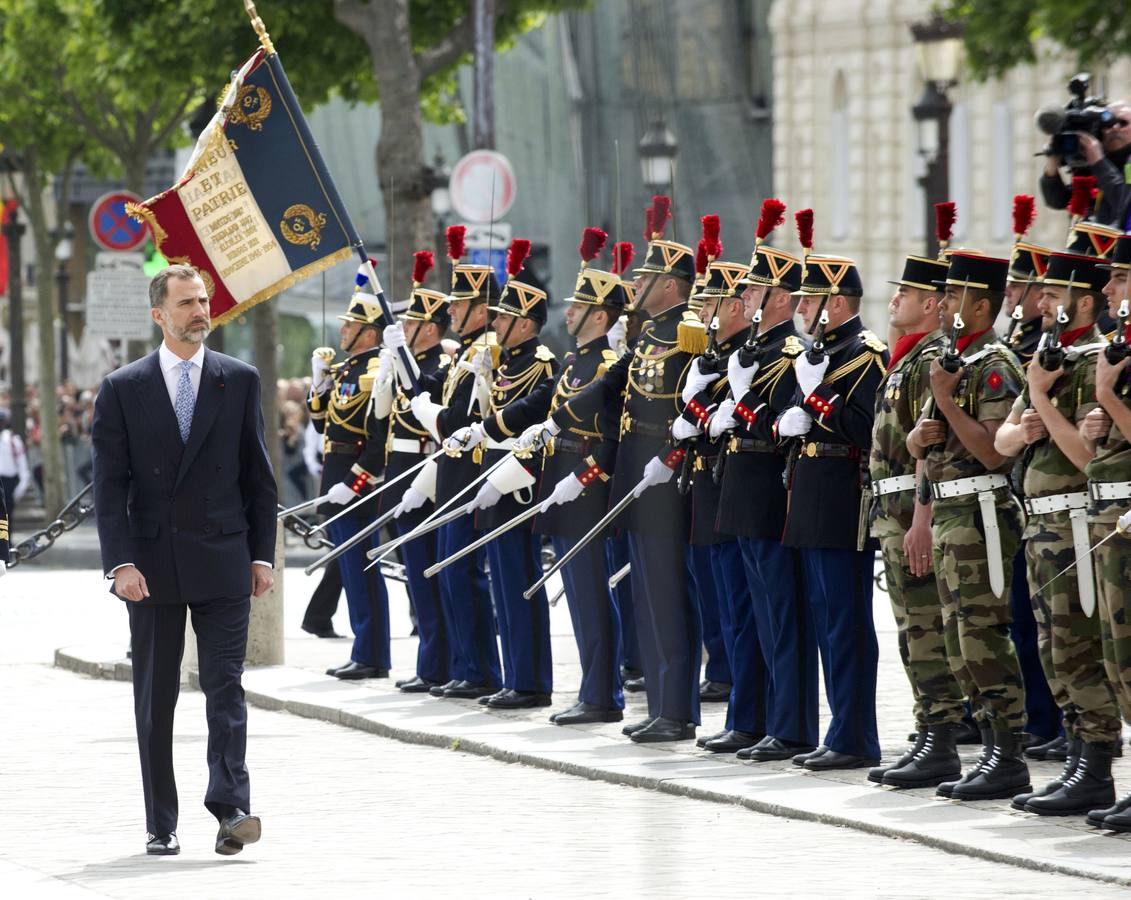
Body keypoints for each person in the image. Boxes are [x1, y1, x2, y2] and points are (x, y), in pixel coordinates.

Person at [91, 263, 276, 856]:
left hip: (224, 557)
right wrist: (120, 565)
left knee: (226, 687)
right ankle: (160, 820)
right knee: (156, 697)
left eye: (204, 300)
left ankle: (231, 808)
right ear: (159, 315)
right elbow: (109, 486)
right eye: (188, 303)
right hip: (151, 567)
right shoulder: (123, 388)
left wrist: (262, 556)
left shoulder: (239, 379)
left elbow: (259, 478)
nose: (202, 310)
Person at [519, 207, 704, 743]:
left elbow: (690, 404)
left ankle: (678, 708)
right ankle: (664, 705)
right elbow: (610, 387)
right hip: (636, 481)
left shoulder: (688, 334)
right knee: (648, 597)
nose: (636, 285)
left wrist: (670, 456)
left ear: (670, 285)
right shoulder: (647, 337)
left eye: (645, 279)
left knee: (669, 595)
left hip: (665, 479)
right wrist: (553, 419)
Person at [995, 251, 1118, 817]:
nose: (1042, 301)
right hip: (1040, 522)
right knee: (1052, 649)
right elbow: (1002, 443)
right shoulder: (1050, 359)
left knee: (1080, 648)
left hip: (1075, 521)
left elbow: (1087, 457)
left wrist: (1042, 400)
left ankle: (1094, 766)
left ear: (1084, 303)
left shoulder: (1095, 360)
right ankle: (1076, 759)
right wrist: (1024, 424)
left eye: (1055, 293)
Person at [907, 252, 1030, 801]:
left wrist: (944, 401)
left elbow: (992, 452)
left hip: (980, 513)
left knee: (982, 636)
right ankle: (987, 746)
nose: (945, 304)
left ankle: (1009, 752)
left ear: (981, 305)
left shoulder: (994, 362)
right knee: (957, 640)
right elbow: (931, 444)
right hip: (949, 512)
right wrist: (918, 438)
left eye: (956, 296)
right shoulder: (954, 359)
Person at [776, 253, 887, 771]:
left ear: (835, 303)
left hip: (841, 498)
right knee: (826, 621)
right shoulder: (821, 353)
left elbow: (865, 430)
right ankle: (839, 729)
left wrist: (817, 397)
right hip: (811, 494)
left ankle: (856, 736)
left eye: (809, 299)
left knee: (846, 622)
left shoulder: (864, 355)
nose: (799, 307)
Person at [718, 230, 820, 763]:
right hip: (743, 486)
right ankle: (752, 718)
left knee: (783, 615)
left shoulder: (792, 351)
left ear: (781, 297)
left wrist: (741, 397)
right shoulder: (753, 348)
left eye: (757, 290)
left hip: (769, 490)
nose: (746, 298)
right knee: (755, 614)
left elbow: (781, 423)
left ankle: (792, 725)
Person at [868, 254, 968, 790]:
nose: (893, 300)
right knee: (911, 632)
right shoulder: (905, 356)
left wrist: (922, 520)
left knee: (926, 630)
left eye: (904, 294)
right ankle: (928, 731)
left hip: (913, 511)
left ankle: (942, 739)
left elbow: (928, 446)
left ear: (930, 304)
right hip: (893, 510)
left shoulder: (930, 357)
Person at [394, 226, 503, 700]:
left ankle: (479, 669)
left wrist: (426, 410)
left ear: (481, 309)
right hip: (451, 476)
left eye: (459, 305)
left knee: (463, 576)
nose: (451, 311)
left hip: (475, 477)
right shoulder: (467, 356)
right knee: (450, 574)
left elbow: (458, 418)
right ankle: (465, 665)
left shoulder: (486, 353)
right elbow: (435, 388)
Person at [450, 240, 559, 709]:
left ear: (526, 323)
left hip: (517, 481)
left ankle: (530, 682)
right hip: (492, 474)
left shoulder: (541, 363)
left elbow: (533, 420)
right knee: (502, 580)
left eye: (502, 318)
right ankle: (514, 676)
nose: (494, 324)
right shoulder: (504, 362)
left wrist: (492, 437)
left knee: (518, 580)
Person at [534, 240, 628, 724]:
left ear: (600, 315)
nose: (568, 312)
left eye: (578, 305)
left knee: (592, 592)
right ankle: (592, 688)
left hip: (587, 488)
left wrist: (582, 477)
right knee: (578, 592)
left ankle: (603, 695)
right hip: (561, 483)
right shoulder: (573, 364)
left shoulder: (609, 367)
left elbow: (612, 439)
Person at [680, 256, 769, 754]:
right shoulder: (714, 356)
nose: (704, 311)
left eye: (712, 301)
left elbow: (730, 416)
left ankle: (745, 706)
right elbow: (692, 412)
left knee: (742, 609)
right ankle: (740, 707)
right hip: (709, 487)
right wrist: (694, 406)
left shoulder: (746, 353)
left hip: (734, 487)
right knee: (727, 606)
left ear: (735, 306)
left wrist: (707, 410)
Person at [370, 251, 452, 693]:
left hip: (426, 470)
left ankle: (437, 662)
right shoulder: (407, 364)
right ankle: (430, 661)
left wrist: (402, 357)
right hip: (399, 469)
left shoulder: (440, 367)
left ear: (432, 330)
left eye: (413, 326)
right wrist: (388, 366)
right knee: (415, 571)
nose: (404, 331)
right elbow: (382, 411)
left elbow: (426, 403)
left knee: (427, 571)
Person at [307, 268, 392, 680]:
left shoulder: (377, 372)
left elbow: (380, 440)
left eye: (352, 325)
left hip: (357, 484)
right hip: (337, 477)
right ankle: (365, 651)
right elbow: (323, 429)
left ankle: (372, 654)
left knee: (361, 571)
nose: (343, 330)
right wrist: (317, 387)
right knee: (351, 568)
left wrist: (355, 481)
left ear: (371, 333)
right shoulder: (347, 371)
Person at [1078, 232, 1131, 831]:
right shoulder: (1120, 347)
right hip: (1108, 518)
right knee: (1116, 660)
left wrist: (1103, 397)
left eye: (1120, 279)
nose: (1111, 288)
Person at [1040, 101, 1131, 226]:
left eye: (1123, 123)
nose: (1115, 128)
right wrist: (1053, 159)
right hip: (1091, 241)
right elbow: (1057, 200)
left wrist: (1098, 161)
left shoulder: (1118, 163)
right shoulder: (1092, 162)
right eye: (1108, 124)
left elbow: (1125, 202)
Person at [0, 407, 31, 526]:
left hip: (8, 483)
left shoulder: (13, 440)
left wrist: (20, 488)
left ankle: (7, 542)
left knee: (6, 518)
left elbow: (22, 466)